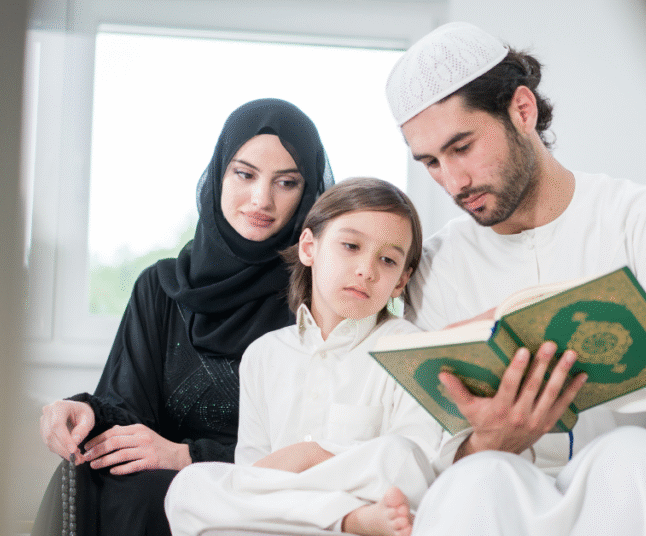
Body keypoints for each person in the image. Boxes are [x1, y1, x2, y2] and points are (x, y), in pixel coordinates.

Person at [383, 22, 646, 535]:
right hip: (500, 494)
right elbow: (420, 437)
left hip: (624, 481)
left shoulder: (636, 216)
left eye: (462, 147)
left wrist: (586, 348)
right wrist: (490, 440)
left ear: (521, 110)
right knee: (477, 480)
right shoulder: (440, 261)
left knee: (638, 457)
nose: (453, 182)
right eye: (430, 162)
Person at [32, 98, 334, 536]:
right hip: (156, 485)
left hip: (256, 491)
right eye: (244, 174)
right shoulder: (160, 287)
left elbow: (314, 445)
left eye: (286, 182)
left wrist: (186, 455)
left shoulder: (316, 298)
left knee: (162, 495)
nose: (260, 199)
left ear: (307, 195)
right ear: (218, 176)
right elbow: (126, 410)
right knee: (85, 471)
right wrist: (77, 410)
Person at [163, 177, 442, 536]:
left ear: (401, 282)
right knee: (189, 487)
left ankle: (347, 521)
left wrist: (308, 456)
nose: (366, 270)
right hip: (287, 523)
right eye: (351, 245)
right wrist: (312, 477)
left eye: (387, 260)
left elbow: (411, 475)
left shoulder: (410, 349)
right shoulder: (263, 356)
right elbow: (254, 480)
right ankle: (344, 518)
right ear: (309, 247)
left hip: (378, 518)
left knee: (399, 455)